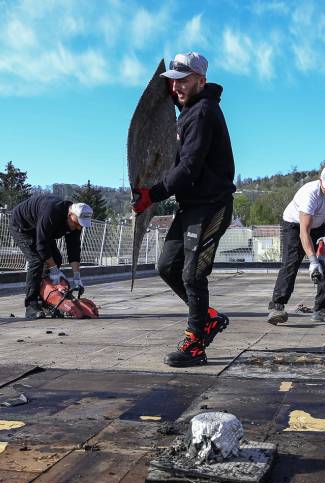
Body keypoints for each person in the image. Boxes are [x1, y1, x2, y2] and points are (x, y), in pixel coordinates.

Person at [132, 51, 235, 368]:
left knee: (192, 273)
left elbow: (188, 168)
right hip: (190, 206)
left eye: (183, 81)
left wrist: (153, 194)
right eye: (173, 81)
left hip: (212, 206)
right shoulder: (188, 111)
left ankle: (195, 344)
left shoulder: (203, 112)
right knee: (166, 266)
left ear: (200, 81)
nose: (176, 87)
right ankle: (208, 318)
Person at [267, 165, 325, 325]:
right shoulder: (310, 193)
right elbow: (303, 232)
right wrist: (313, 260)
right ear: (321, 182)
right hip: (294, 224)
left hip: (318, 226)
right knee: (291, 262)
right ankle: (277, 306)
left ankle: (322, 308)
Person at [10, 194, 91, 319]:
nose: (78, 227)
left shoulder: (76, 222)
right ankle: (31, 304)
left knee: (56, 258)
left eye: (81, 225)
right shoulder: (52, 212)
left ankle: (46, 300)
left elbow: (74, 249)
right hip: (23, 226)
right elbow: (41, 245)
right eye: (76, 223)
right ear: (70, 215)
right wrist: (54, 270)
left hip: (42, 230)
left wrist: (77, 277)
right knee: (37, 261)